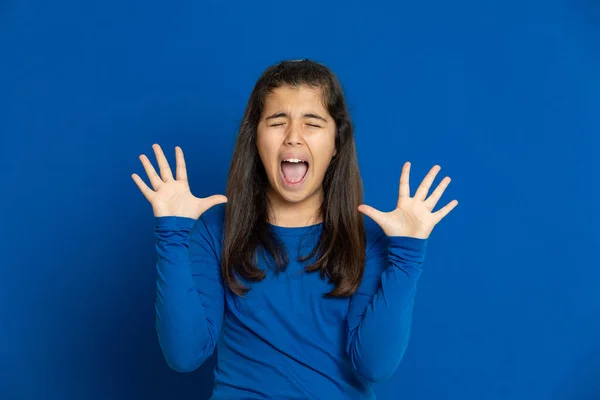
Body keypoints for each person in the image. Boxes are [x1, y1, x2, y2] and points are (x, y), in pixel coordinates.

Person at [131, 59, 458, 399]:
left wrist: (407, 256)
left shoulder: (368, 241)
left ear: (336, 145)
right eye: (277, 122)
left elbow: (375, 365)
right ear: (255, 139)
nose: (293, 138)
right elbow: (184, 355)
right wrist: (172, 235)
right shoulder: (216, 231)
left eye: (312, 123)